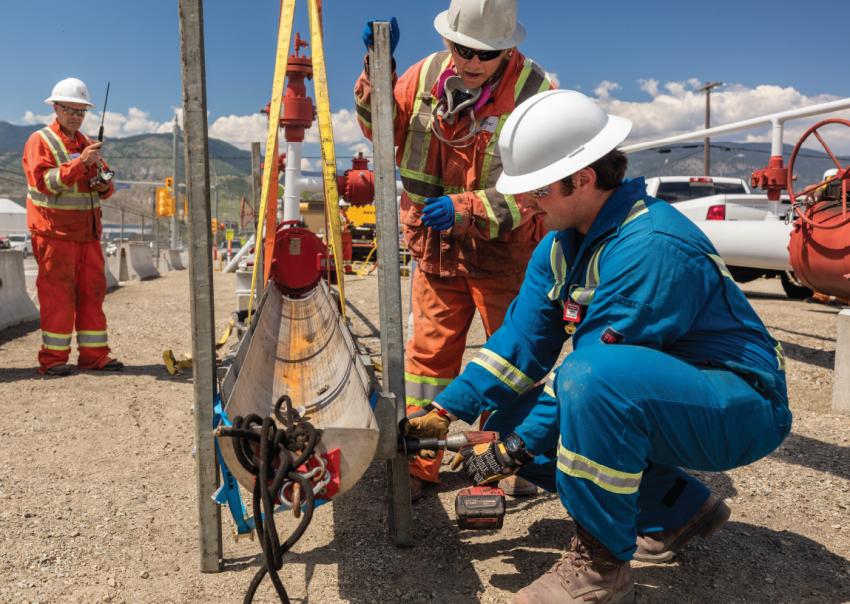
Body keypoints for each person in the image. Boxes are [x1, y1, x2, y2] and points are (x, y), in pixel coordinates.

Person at [408, 90, 792, 603]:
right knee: (508, 412)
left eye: (538, 189)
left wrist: (516, 450)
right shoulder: (561, 245)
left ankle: (601, 570)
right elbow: (521, 342)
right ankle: (678, 510)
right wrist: (445, 408)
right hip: (665, 394)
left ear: (583, 179)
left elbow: (591, 377)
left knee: (589, 384)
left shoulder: (650, 244)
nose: (525, 203)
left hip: (738, 407)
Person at [356, 0, 553, 497]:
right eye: (461, 48)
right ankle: (422, 463)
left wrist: (466, 208)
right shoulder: (423, 78)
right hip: (437, 249)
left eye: (484, 54)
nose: (470, 61)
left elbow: (538, 189)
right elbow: (381, 130)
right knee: (428, 360)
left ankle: (505, 463)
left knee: (511, 361)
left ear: (506, 49)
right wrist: (377, 72)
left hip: (502, 251)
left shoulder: (536, 94)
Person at [22, 77, 123, 376]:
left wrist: (103, 184)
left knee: (92, 293)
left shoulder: (88, 144)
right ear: (56, 108)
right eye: (70, 110)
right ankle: (53, 359)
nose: (76, 116)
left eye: (81, 112)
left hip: (87, 236)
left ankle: (94, 356)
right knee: (58, 296)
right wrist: (81, 166)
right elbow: (44, 182)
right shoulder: (40, 141)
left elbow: (105, 187)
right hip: (54, 234)